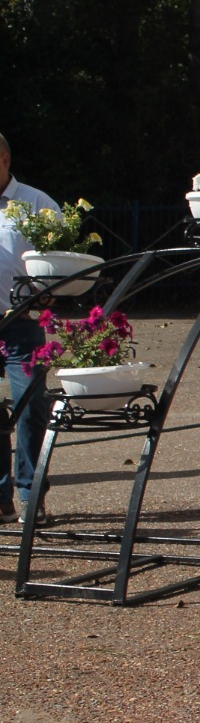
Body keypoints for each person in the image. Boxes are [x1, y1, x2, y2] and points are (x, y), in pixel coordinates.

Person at [0, 133, 58, 524]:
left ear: (3, 158)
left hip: (20, 324)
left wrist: (52, 292)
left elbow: (63, 259)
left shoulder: (36, 204)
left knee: (31, 409)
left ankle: (30, 496)